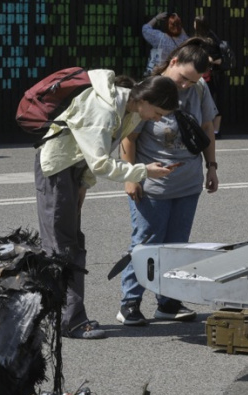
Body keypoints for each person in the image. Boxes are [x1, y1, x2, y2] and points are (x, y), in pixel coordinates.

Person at [35, 73, 180, 338]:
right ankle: (70, 320)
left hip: (72, 170)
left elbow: (99, 151)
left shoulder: (128, 108)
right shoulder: (105, 107)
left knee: (71, 242)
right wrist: (142, 172)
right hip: (57, 168)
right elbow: (100, 161)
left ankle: (63, 316)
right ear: (145, 99)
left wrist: (83, 185)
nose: (158, 119)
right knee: (62, 246)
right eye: (158, 112)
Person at [117, 39, 220, 326]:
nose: (186, 85)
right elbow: (130, 136)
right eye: (184, 78)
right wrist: (131, 176)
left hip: (187, 182)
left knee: (176, 246)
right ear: (173, 61)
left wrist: (212, 167)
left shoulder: (199, 89)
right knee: (146, 244)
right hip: (152, 186)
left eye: (194, 80)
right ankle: (130, 302)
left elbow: (207, 127)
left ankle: (168, 302)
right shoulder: (150, 89)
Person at [193, 16, 225, 139]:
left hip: (210, 76)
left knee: (210, 102)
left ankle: (212, 130)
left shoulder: (207, 41)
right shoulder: (213, 37)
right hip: (214, 75)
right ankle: (215, 130)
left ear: (198, 24)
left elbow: (214, 58)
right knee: (214, 102)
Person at [143, 10, 189, 76]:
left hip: (160, 73)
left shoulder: (160, 38)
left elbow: (145, 29)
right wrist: (176, 21)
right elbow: (184, 35)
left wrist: (157, 18)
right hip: (175, 74)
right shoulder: (184, 40)